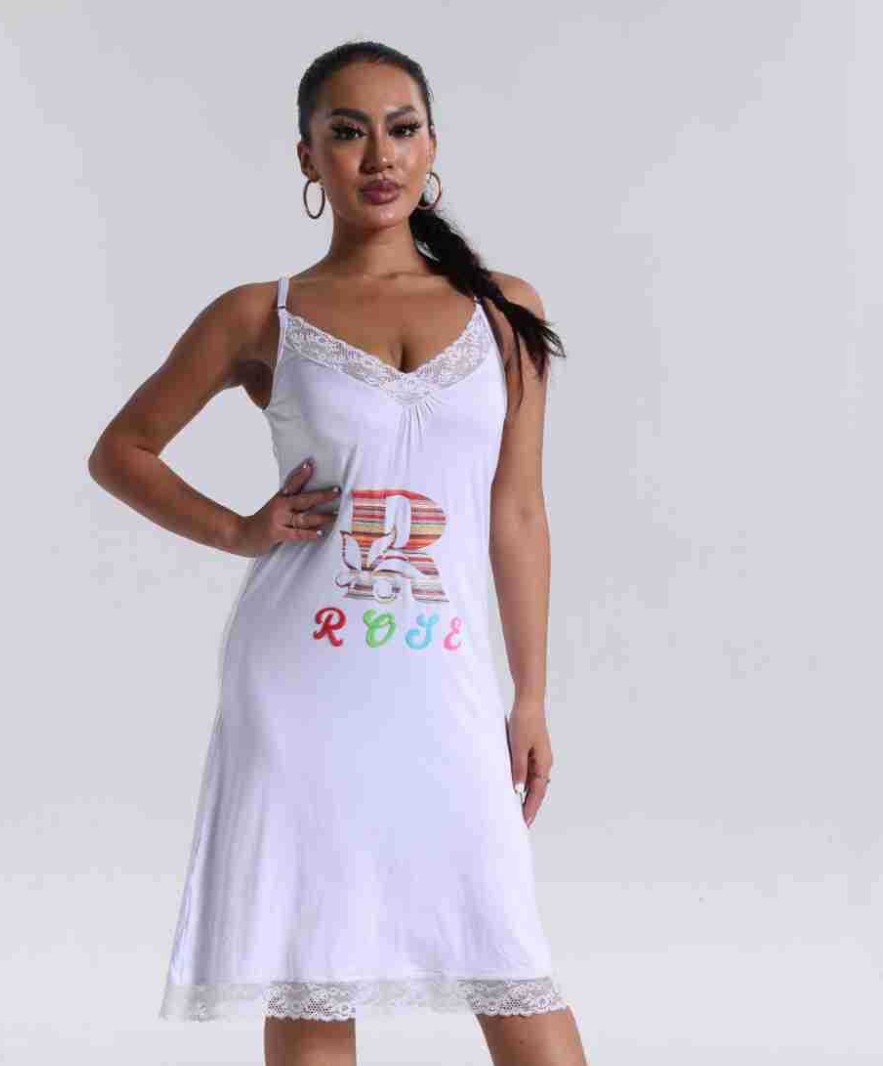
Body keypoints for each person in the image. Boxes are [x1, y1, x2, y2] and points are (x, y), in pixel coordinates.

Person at [88, 39, 589, 1066]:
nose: (378, 155)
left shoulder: (505, 310)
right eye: (347, 132)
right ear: (308, 157)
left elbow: (518, 513)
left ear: (432, 146)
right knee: (313, 965)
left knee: (509, 957)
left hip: (445, 683)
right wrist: (239, 529)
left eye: (400, 129)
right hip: (300, 683)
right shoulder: (258, 313)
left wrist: (530, 696)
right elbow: (121, 452)